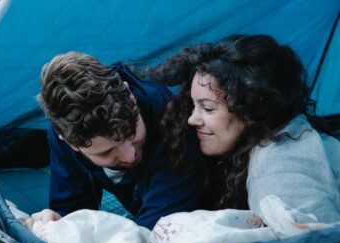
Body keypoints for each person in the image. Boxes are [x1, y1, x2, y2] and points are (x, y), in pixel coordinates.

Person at [147, 34, 340, 222]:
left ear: (252, 107)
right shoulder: (291, 134)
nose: (192, 119)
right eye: (193, 105)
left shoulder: (277, 171)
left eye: (207, 108)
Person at [26, 52, 204, 229]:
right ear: (72, 144)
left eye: (131, 134)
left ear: (131, 97)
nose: (129, 155)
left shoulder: (173, 122)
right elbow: (72, 211)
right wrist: (59, 222)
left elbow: (153, 232)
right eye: (107, 151)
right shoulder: (67, 134)